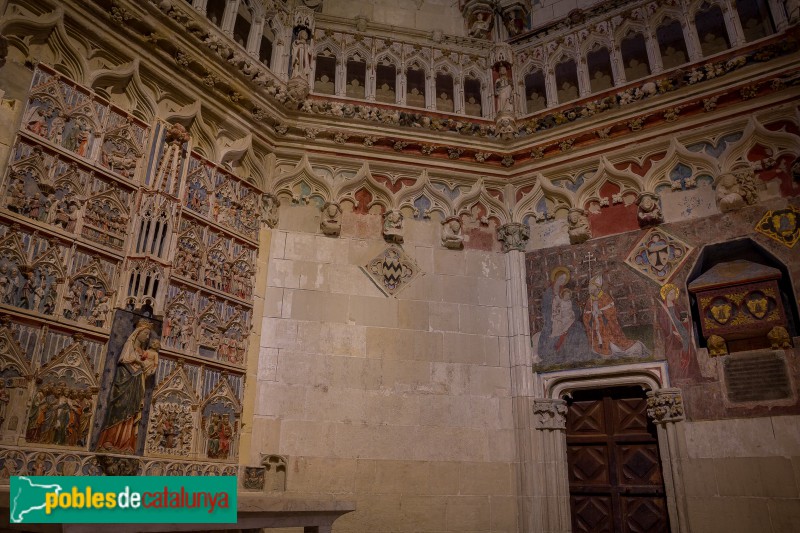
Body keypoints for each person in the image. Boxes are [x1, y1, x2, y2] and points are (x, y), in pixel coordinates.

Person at [96, 319, 155, 453]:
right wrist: (139, 365)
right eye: (145, 334)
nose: (147, 337)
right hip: (124, 381)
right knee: (119, 408)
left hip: (137, 384)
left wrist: (148, 369)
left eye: (148, 335)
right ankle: (108, 441)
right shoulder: (129, 346)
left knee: (132, 413)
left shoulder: (142, 351)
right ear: (137, 333)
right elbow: (124, 360)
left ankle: (127, 443)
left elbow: (144, 368)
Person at [582, 274, 649, 357]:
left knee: (615, 342)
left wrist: (600, 312)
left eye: (591, 287)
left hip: (606, 325)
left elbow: (611, 310)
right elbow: (586, 313)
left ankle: (632, 348)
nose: (589, 289)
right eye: (589, 287)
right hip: (596, 326)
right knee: (598, 340)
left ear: (598, 288)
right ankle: (602, 351)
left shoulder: (605, 297)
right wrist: (591, 314)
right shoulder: (590, 300)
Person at [537, 267, 590, 363]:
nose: (562, 281)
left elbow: (571, 303)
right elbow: (545, 310)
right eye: (561, 279)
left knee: (578, 325)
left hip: (566, 316)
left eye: (564, 280)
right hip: (553, 319)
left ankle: (579, 353)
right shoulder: (549, 293)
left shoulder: (564, 290)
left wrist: (574, 312)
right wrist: (556, 315)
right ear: (556, 278)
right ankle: (559, 353)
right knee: (557, 328)